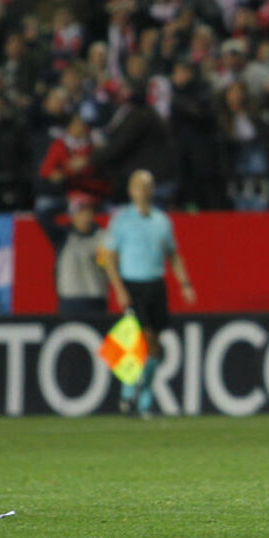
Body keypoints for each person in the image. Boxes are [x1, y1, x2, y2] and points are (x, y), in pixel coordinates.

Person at [102, 170, 195, 417]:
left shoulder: (162, 221)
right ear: (131, 191)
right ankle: (130, 392)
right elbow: (109, 258)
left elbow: (173, 254)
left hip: (156, 284)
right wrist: (119, 289)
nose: (142, 191)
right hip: (133, 285)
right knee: (140, 340)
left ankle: (142, 395)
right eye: (137, 187)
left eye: (146, 186)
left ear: (152, 190)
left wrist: (185, 284)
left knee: (155, 347)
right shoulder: (121, 220)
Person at [42, 193, 110, 316]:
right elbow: (43, 214)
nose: (85, 217)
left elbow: (108, 266)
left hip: (95, 297)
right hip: (70, 299)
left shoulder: (102, 237)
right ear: (72, 215)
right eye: (80, 212)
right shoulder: (63, 236)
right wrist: (65, 201)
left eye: (88, 212)